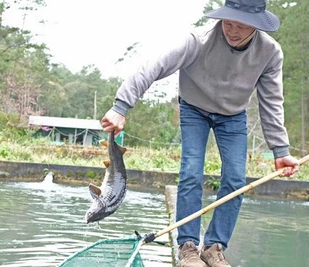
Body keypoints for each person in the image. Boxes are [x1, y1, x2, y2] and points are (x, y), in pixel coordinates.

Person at [100, 0, 300, 266]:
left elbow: (272, 102)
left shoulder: (270, 53)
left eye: (241, 26)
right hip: (194, 108)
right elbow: (152, 66)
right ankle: (188, 246)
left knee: (235, 179)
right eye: (228, 22)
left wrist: (281, 150)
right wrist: (121, 106)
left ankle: (214, 246)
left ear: (256, 25)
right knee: (192, 171)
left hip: (233, 116)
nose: (233, 30)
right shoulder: (198, 40)